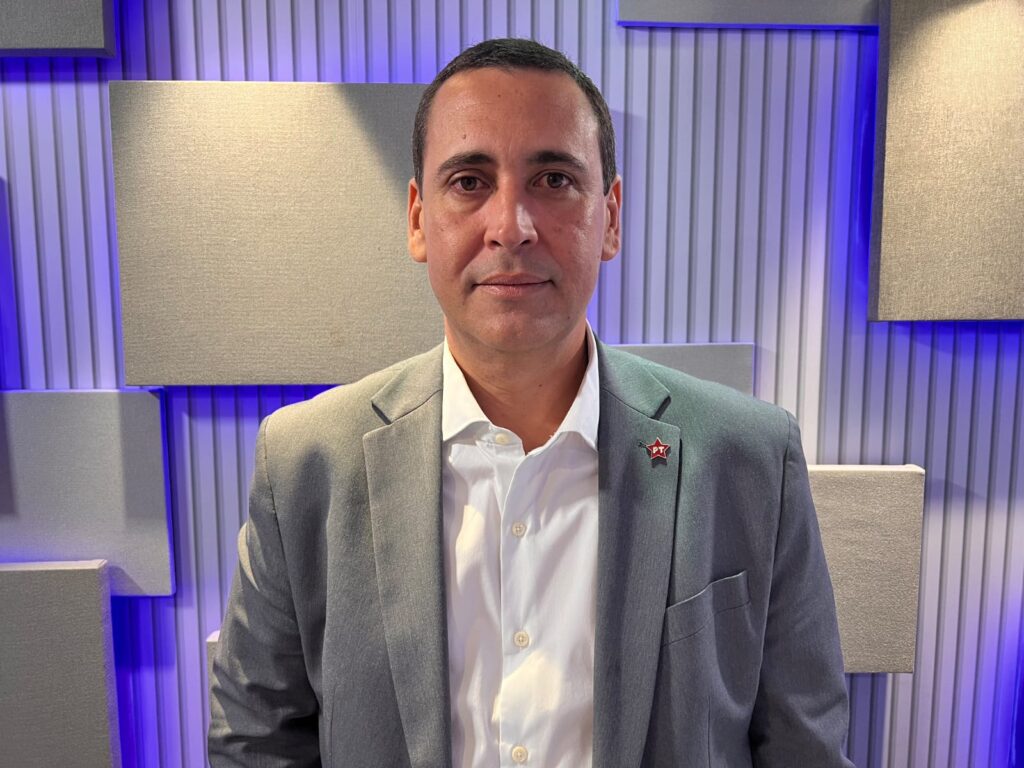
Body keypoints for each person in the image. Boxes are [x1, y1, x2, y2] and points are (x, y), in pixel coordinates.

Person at [209, 37, 852, 768]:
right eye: (469, 181)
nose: (511, 225)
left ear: (610, 217)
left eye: (553, 179)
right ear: (418, 219)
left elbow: (803, 750)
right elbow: (256, 748)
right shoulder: (304, 466)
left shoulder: (750, 460)